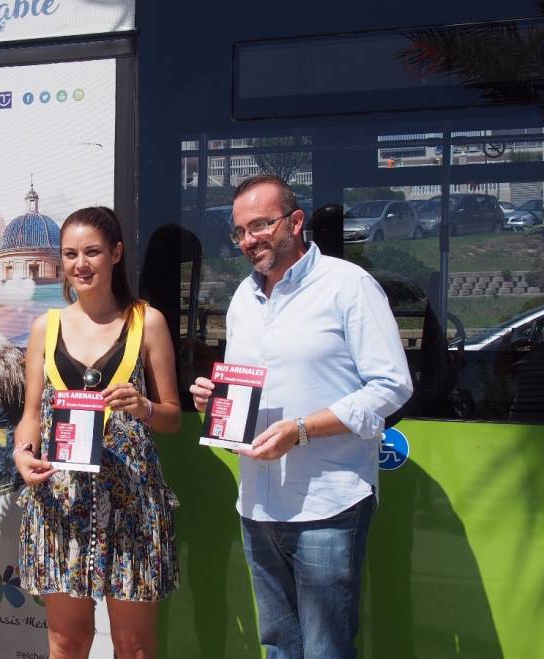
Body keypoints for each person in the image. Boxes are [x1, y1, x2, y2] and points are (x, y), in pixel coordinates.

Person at [189, 175, 413, 659]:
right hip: (257, 504)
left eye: (261, 225)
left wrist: (302, 429)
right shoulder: (241, 301)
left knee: (326, 649)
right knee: (279, 649)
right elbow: (250, 386)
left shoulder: (348, 286)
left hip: (327, 506)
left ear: (295, 222)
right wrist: (216, 398)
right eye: (240, 231)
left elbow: (392, 385)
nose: (249, 239)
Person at [14, 207, 181, 659]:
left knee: (134, 646)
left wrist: (145, 408)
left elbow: (172, 417)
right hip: (61, 502)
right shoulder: (45, 328)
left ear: (116, 254)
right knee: (67, 643)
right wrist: (23, 453)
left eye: (92, 252)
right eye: (70, 254)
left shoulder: (148, 323)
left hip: (132, 504)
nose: (80, 264)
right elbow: (31, 414)